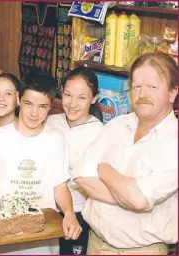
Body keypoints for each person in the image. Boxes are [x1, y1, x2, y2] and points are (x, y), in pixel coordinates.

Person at [0, 82, 82, 254]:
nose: (34, 113)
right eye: (29, 104)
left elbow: (60, 186)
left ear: (50, 107)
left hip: (41, 241)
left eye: (42, 106)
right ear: (19, 99)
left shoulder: (55, 139)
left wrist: (69, 213)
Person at [73, 53, 178, 254]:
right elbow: (81, 174)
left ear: (173, 93)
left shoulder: (174, 141)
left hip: (141, 250)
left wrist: (103, 169)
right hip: (94, 244)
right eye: (137, 86)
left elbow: (139, 199)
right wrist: (128, 199)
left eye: (152, 87)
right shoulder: (118, 125)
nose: (142, 93)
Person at [46, 67, 104, 255]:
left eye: (82, 97)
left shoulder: (100, 133)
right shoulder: (49, 122)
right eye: (68, 95)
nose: (72, 104)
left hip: (79, 213)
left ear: (94, 98)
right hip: (45, 209)